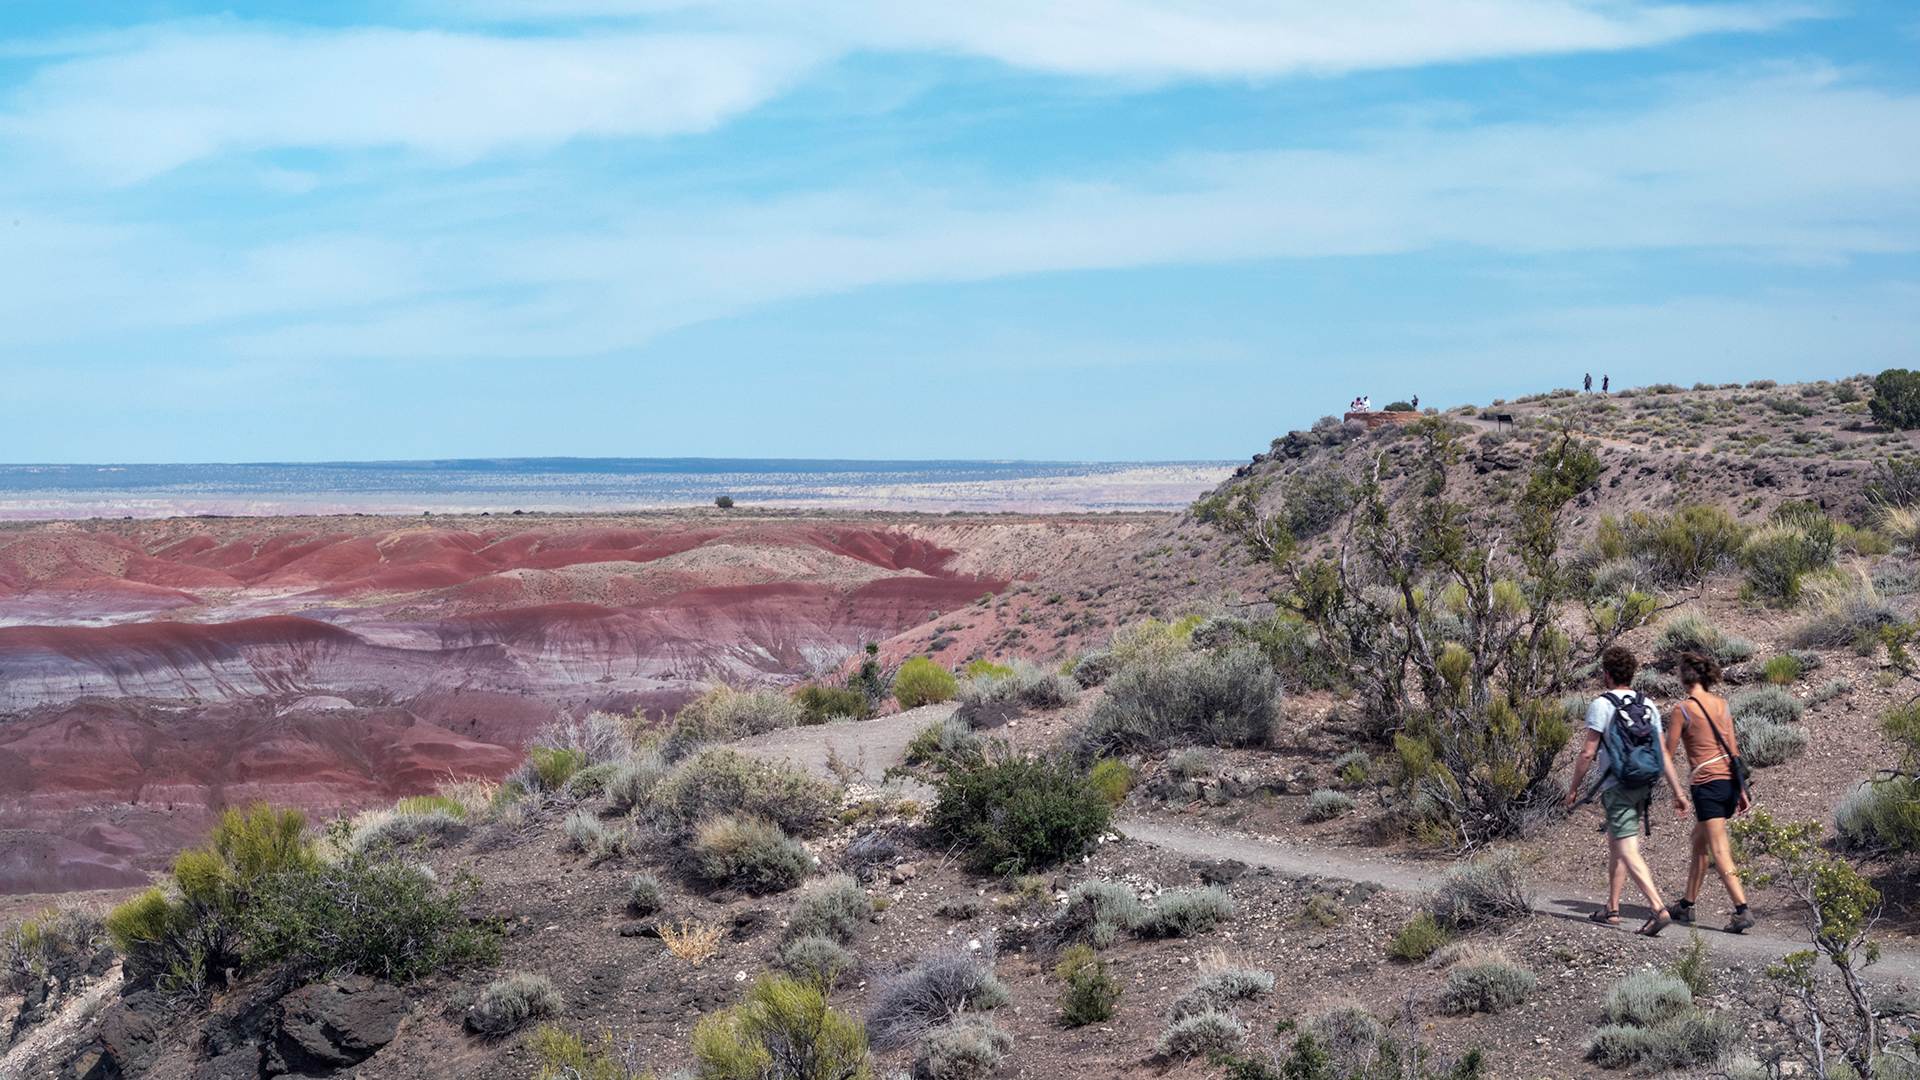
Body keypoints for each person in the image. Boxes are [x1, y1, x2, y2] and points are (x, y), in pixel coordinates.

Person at [1565, 645, 1689, 935]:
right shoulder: (1647, 705)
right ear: (1632, 674)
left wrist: (1573, 788)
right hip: (1644, 784)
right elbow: (1662, 752)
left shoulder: (1602, 705)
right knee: (1617, 843)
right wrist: (1678, 792)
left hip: (1617, 785)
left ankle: (1658, 908)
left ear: (1607, 674)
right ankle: (1612, 908)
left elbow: (1587, 752)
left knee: (1627, 848)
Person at [1663, 652, 1757, 933]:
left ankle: (1742, 910)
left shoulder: (1682, 710)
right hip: (1728, 782)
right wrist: (1741, 790)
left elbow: (1667, 755)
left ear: (1685, 677)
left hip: (1707, 785)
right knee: (1698, 840)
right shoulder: (1722, 705)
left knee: (1719, 849)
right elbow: (1734, 751)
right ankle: (1686, 905)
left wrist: (1676, 792)